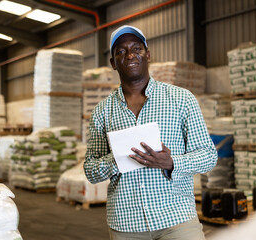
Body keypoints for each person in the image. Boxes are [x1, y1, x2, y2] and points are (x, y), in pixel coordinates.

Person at [84, 25, 218, 240]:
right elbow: (91, 170)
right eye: (121, 51)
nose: (130, 55)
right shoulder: (102, 111)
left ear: (148, 54)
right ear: (113, 63)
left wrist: (171, 162)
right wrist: (117, 160)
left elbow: (208, 156)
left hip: (176, 219)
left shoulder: (181, 99)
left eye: (136, 49)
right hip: (126, 224)